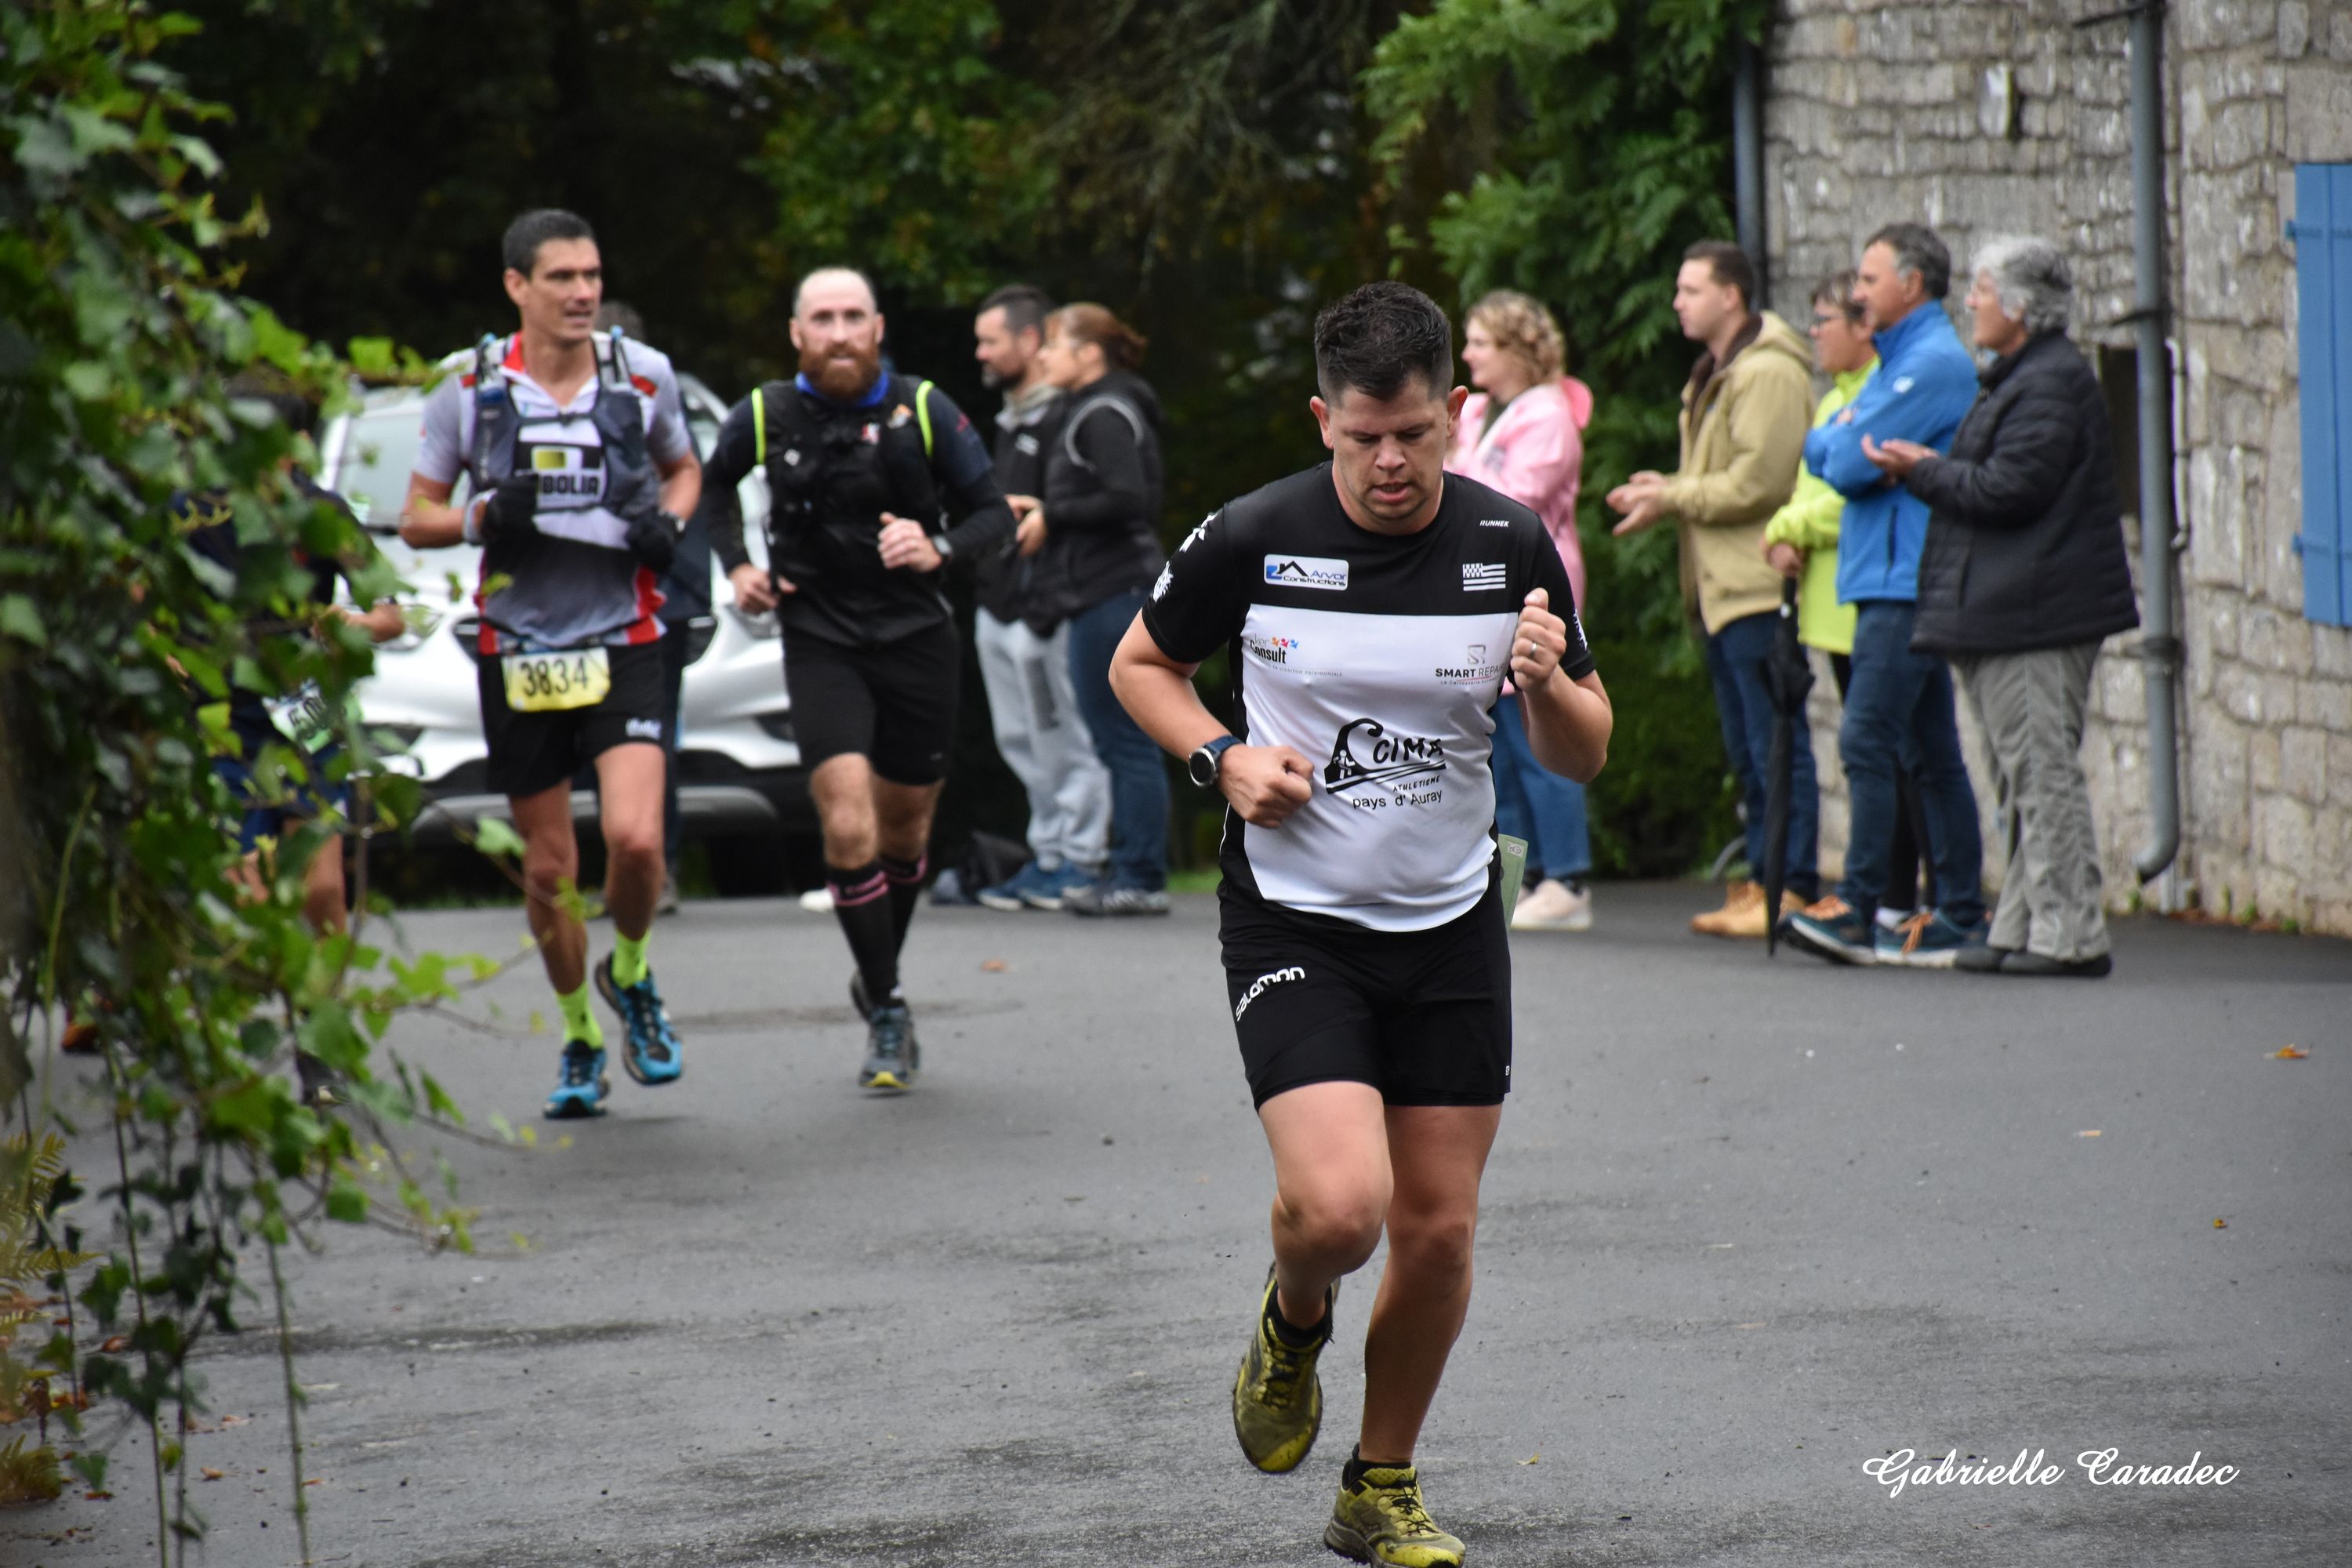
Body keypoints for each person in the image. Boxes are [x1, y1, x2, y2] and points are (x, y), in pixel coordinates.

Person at [1110, 282, 1611, 1568]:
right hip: (1298, 922)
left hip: (1450, 922)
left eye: (1415, 435)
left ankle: (1379, 1484)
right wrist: (1223, 756)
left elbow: (1584, 752)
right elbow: (1140, 666)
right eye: (1363, 437)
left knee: (1437, 1230)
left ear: (1456, 412)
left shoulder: (1508, 545)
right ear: (1321, 418)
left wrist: (1547, 686)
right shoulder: (1255, 536)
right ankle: (1295, 1319)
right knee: (1341, 1213)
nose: (1391, 463)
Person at [401, 209, 702, 1119]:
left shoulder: (642, 373)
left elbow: (683, 469)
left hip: (625, 633)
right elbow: (417, 516)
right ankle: (579, 1034)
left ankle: (631, 972)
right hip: (520, 647)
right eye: (562, 277)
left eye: (592, 276)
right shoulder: (468, 386)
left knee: (638, 841)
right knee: (548, 870)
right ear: (516, 286)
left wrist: (669, 524)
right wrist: (482, 516)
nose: (582, 293)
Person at [702, 266, 1015, 1089]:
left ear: (878, 328)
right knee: (846, 823)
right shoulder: (765, 414)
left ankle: (878, 973)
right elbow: (708, 488)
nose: (838, 333)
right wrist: (738, 566)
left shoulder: (924, 407)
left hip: (916, 636)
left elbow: (993, 514)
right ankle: (889, 1007)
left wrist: (936, 546)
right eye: (822, 318)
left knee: (905, 830)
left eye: (852, 317)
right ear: (796, 333)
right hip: (819, 636)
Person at [1864, 236, 2138, 978]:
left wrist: (1925, 470)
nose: (1971, 303)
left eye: (1982, 291)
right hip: (2013, 612)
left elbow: (2010, 489)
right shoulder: (2024, 378)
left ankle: (2072, 933)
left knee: (2041, 776)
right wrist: (1935, 469)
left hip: (2037, 616)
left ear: (2018, 307)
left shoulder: (2048, 384)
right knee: (2019, 779)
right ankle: (2021, 924)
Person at [185, 376, 408, 1103]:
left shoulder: (324, 514)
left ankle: (321, 1041)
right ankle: (225, 1035)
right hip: (220, 711)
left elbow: (390, 613)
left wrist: (351, 624)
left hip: (304, 708)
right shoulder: (190, 514)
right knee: (247, 887)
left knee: (322, 885)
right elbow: (140, 604)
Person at [1784, 223, 1988, 968]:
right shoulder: (1898, 362)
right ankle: (1958, 912)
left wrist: (1839, 437)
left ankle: (1861, 905)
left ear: (1912, 284)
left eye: (1869, 280)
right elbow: (1835, 446)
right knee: (1928, 749)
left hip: (1906, 580)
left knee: (1869, 737)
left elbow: (1842, 460)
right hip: (1890, 576)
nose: (1858, 293)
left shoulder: (1929, 364)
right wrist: (1839, 438)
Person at [1605, 241, 1817, 938]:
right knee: (1748, 752)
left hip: (1756, 585)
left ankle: (1792, 886)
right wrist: (1667, 492)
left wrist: (1671, 495)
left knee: (1774, 745)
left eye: (1690, 289)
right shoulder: (1719, 372)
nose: (1676, 303)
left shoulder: (1767, 372)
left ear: (1732, 296)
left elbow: (1761, 481)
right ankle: (1762, 883)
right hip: (1722, 591)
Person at [1762, 274, 1939, 938]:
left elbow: (1847, 493)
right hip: (1834, 601)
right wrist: (1790, 526)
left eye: (1826, 319)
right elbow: (1814, 478)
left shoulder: (1877, 396)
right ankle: (1896, 895)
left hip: (1869, 595)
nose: (1814, 333)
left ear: (1864, 328)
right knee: (1885, 750)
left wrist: (1788, 528)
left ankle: (1892, 896)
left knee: (1893, 752)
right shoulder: (1832, 400)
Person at [1447, 289, 1599, 931]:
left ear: (1515, 349)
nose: (1468, 354)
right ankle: (1519, 879)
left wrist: (1453, 471)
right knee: (1499, 752)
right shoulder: (1479, 410)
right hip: (1479, 592)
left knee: (1542, 734)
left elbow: (1514, 505)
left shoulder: (1550, 417)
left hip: (1533, 591)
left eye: (1481, 342)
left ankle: (1568, 879)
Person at [1014, 303, 1171, 916]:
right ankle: (1132, 872)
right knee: (1116, 741)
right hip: (1102, 594)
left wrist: (1054, 515)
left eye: (1053, 344)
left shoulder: (1103, 413)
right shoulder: (1091, 409)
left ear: (1088, 354)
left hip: (1115, 594)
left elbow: (1130, 499)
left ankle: (1140, 878)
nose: (1042, 355)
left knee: (1124, 740)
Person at [968, 284, 1110, 911]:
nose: (979, 354)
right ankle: (1049, 855)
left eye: (989, 341)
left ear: (1029, 341)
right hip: (999, 604)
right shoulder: (1009, 419)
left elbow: (1100, 504)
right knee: (1020, 739)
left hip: (1045, 611)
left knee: (1062, 736)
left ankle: (1081, 859)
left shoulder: (1068, 416)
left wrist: (1044, 602)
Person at [596, 299, 706, 916]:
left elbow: (688, 488)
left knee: (650, 735)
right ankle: (626, 870)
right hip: (588, 602)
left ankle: (656, 869)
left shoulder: (653, 401)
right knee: (604, 737)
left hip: (658, 600)